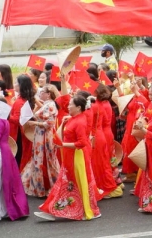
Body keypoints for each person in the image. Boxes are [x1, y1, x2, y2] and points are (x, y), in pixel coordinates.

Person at [34, 93, 103, 221]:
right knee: (66, 183)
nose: (68, 106)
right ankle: (52, 210)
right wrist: (65, 122)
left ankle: (87, 210)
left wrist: (63, 145)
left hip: (77, 157)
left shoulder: (80, 122)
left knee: (76, 183)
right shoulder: (74, 118)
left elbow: (82, 143)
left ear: (78, 107)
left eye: (71, 104)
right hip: (69, 155)